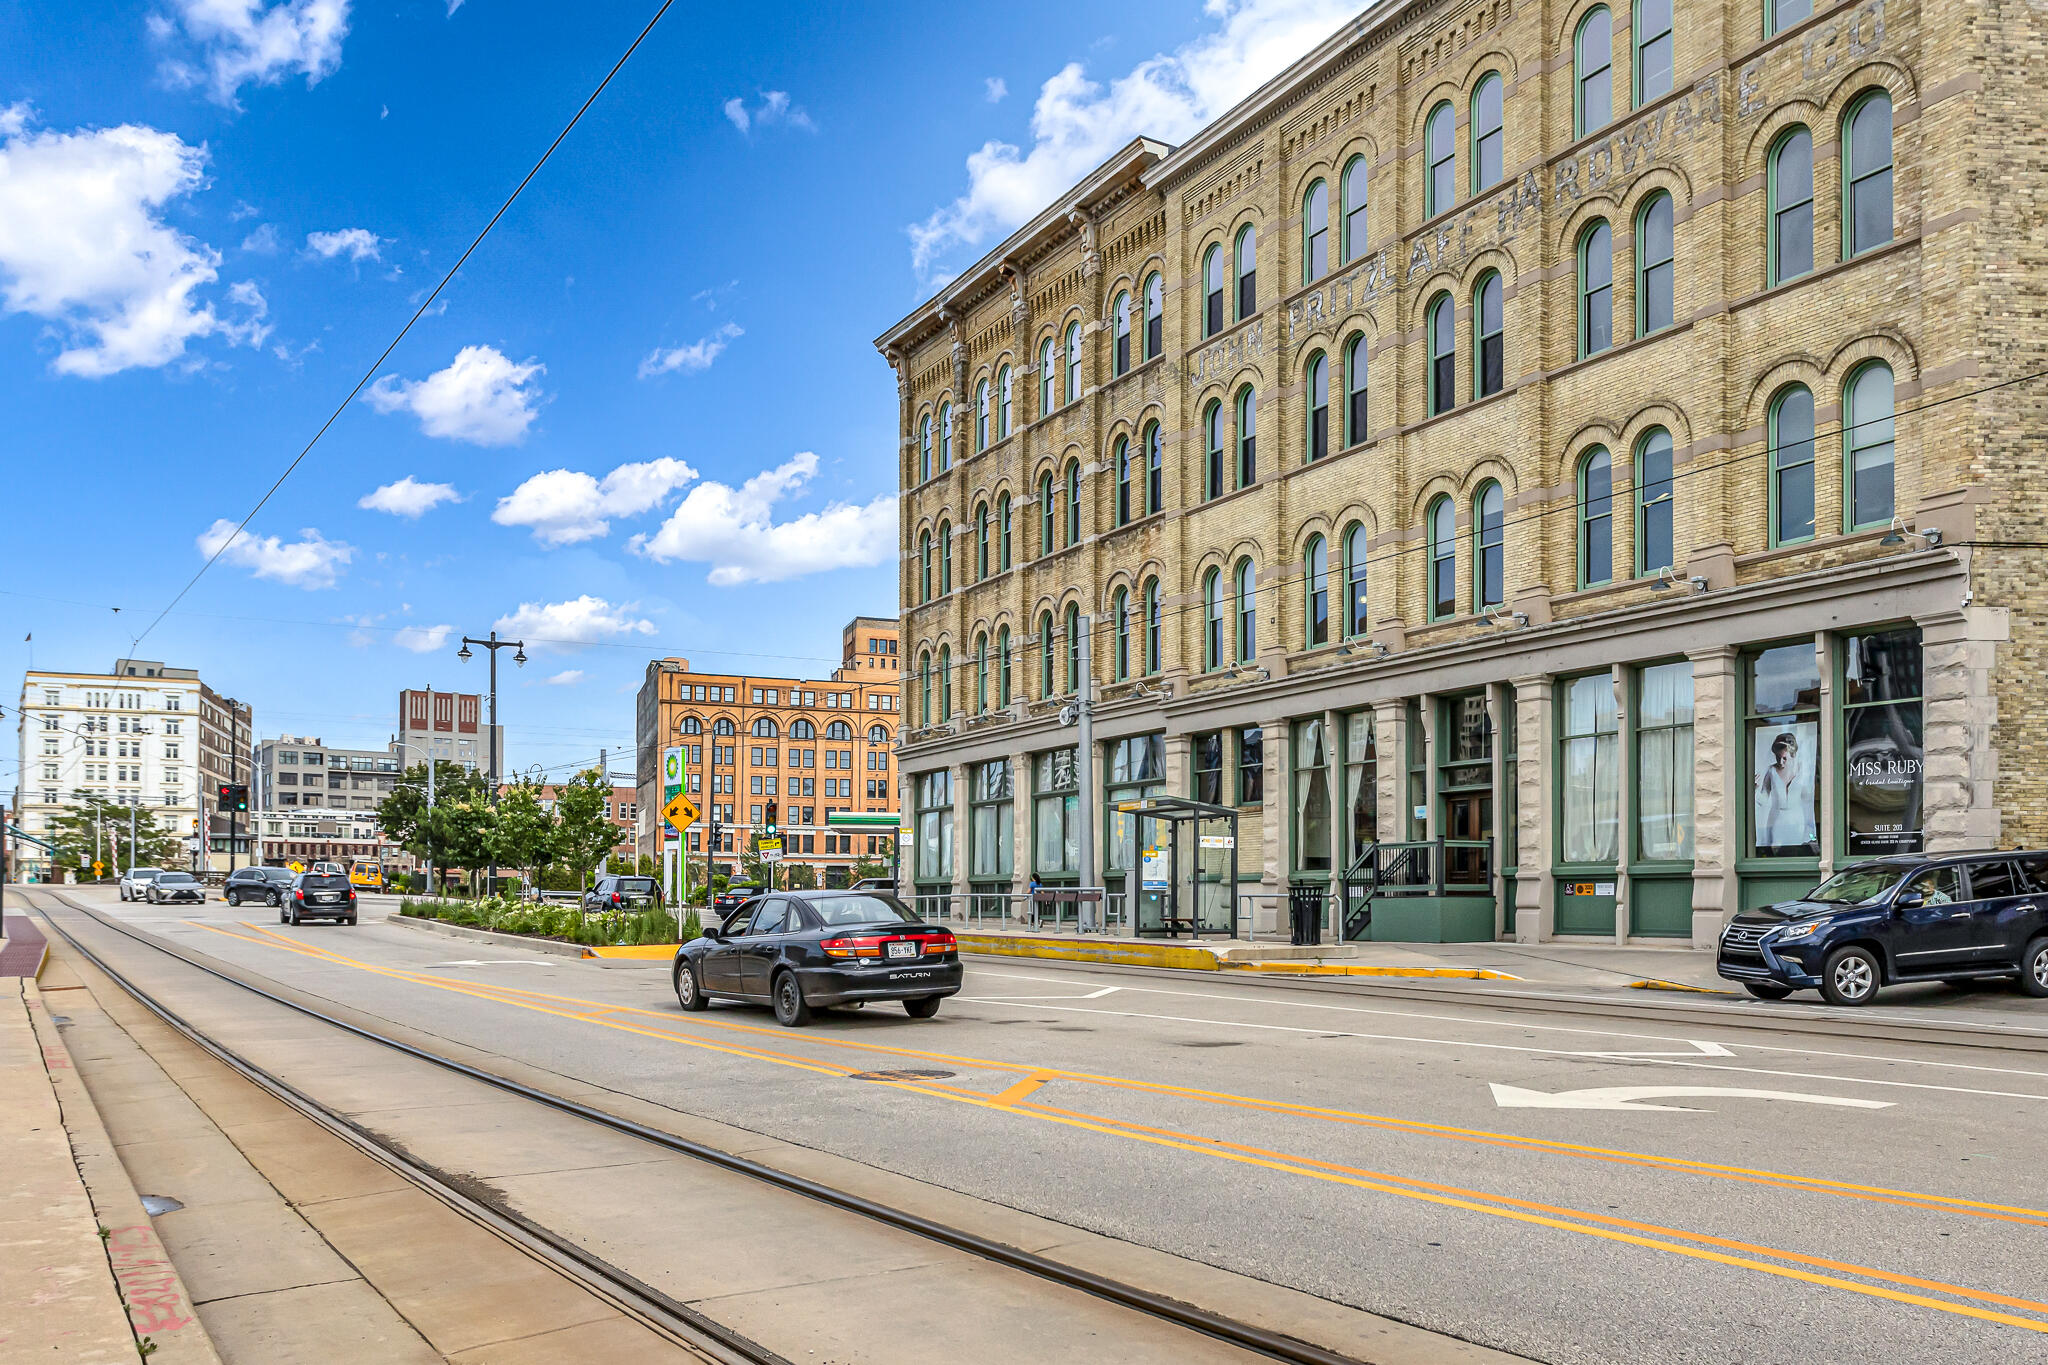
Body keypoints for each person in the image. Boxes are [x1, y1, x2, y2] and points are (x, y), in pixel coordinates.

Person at [1755, 731, 1815, 853]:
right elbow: (1763, 800)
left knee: (1797, 852)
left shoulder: (1802, 770)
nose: (1781, 762)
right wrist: (1755, 789)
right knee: (1776, 853)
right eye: (1778, 757)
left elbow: (1809, 798)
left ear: (1792, 755)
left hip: (1797, 821)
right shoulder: (1771, 771)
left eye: (1784, 758)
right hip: (1776, 821)